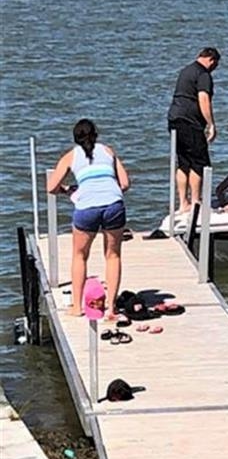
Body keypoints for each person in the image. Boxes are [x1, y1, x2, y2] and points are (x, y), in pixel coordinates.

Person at [47, 119, 130, 319]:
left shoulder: (70, 156)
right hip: (114, 204)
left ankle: (77, 307)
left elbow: (51, 187)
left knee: (80, 256)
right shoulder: (108, 151)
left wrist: (68, 190)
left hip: (87, 208)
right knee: (113, 255)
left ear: (75, 138)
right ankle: (111, 308)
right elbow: (125, 183)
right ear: (96, 135)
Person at [167, 47, 221, 213]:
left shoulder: (186, 71)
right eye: (216, 65)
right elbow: (203, 98)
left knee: (183, 162)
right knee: (199, 162)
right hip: (190, 122)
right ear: (211, 60)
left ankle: (183, 203)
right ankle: (196, 202)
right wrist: (211, 124)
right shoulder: (203, 75)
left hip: (174, 119)